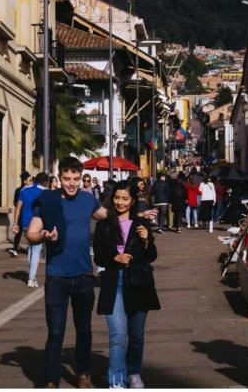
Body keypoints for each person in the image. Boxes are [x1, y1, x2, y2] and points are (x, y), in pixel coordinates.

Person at [27, 157, 158, 388]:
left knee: (84, 330)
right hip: (57, 277)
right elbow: (31, 234)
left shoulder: (88, 200)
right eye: (67, 179)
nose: (72, 183)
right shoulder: (47, 201)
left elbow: (112, 216)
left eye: (76, 179)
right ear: (59, 178)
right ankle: (50, 380)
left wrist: (139, 215)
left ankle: (84, 374)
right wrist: (44, 236)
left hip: (84, 276)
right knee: (56, 331)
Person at [93, 180, 161, 388]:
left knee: (137, 335)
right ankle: (117, 380)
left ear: (132, 201)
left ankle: (134, 372)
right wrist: (115, 257)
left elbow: (151, 256)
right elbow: (99, 257)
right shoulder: (104, 225)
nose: (120, 202)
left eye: (125, 199)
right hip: (114, 283)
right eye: (116, 198)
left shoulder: (142, 224)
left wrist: (147, 239)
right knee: (118, 336)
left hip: (139, 282)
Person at [14, 172, 48, 288]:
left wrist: (15, 223)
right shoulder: (45, 191)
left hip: (24, 223)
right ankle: (31, 278)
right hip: (37, 223)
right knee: (36, 250)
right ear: (44, 182)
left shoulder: (24, 190)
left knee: (31, 247)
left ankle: (31, 274)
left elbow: (18, 207)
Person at [10, 171, 33, 257]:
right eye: (30, 180)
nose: (31, 182)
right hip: (21, 213)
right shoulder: (19, 190)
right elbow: (15, 203)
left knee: (30, 231)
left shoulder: (31, 190)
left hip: (29, 213)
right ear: (24, 181)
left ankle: (30, 248)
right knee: (18, 232)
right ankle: (15, 249)